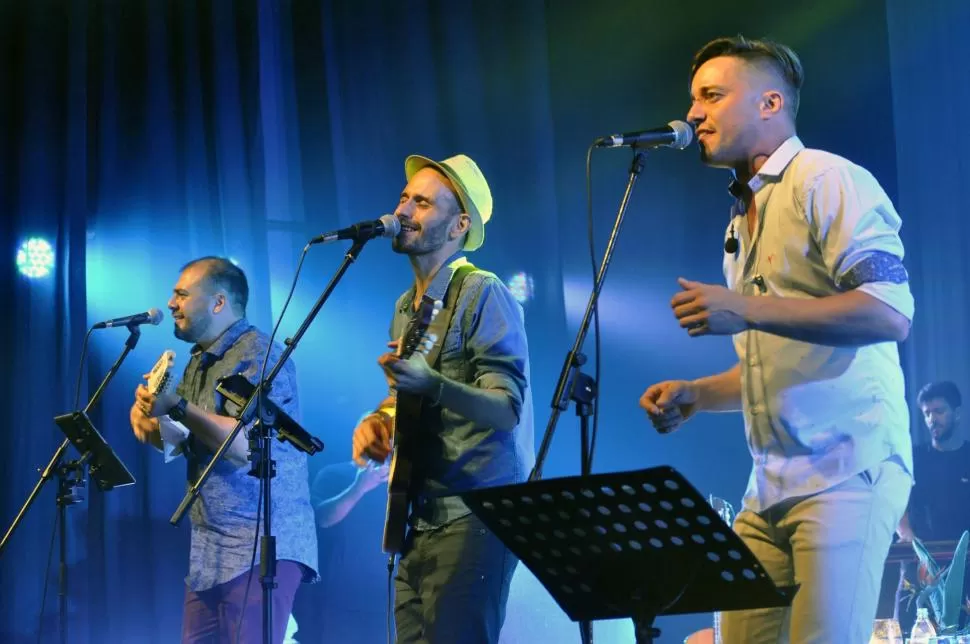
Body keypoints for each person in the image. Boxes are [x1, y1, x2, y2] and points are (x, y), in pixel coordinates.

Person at [639, 36, 915, 643]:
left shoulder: (828, 178)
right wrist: (697, 392)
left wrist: (744, 306)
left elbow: (889, 312)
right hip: (767, 488)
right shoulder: (742, 215)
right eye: (693, 99)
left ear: (769, 102)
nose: (692, 115)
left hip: (846, 468)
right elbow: (775, 361)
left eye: (711, 96)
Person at [351, 153, 534, 643]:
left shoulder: (482, 292)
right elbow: (402, 397)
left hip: (474, 515)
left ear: (460, 224)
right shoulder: (405, 308)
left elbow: (507, 408)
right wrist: (378, 421)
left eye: (423, 202)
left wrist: (432, 383)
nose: (405, 209)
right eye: (405, 197)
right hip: (416, 518)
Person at [129, 256, 318, 644]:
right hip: (209, 550)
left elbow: (244, 445)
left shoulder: (259, 354)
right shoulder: (198, 361)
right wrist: (145, 416)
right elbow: (177, 439)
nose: (170, 303)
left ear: (218, 302)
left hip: (260, 546)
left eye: (181, 294)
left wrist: (177, 406)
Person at [894, 381, 969, 631]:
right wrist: (908, 538)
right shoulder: (913, 457)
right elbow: (896, 504)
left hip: (964, 564)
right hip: (919, 565)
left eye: (939, 411)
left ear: (957, 413)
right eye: (926, 413)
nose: (932, 419)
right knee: (909, 631)